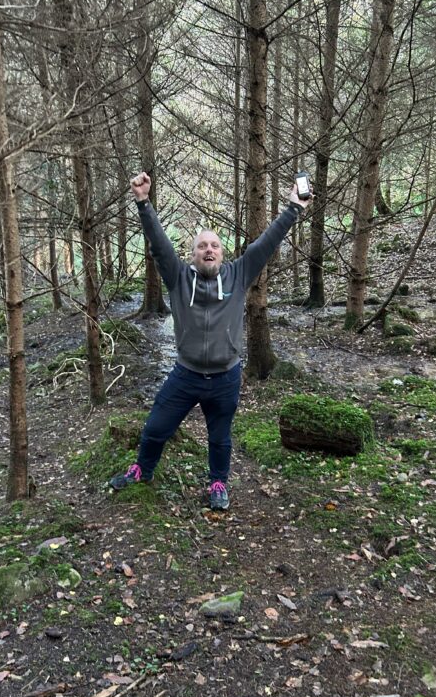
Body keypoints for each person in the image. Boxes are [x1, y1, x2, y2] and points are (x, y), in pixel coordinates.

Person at [109, 172, 312, 510]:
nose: (208, 250)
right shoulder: (178, 277)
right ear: (192, 254)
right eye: (202, 246)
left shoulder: (238, 274)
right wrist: (143, 201)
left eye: (214, 246)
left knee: (219, 438)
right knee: (155, 428)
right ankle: (143, 469)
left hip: (225, 377)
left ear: (222, 253)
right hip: (185, 375)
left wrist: (293, 208)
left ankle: (218, 482)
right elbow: (159, 243)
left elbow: (266, 244)